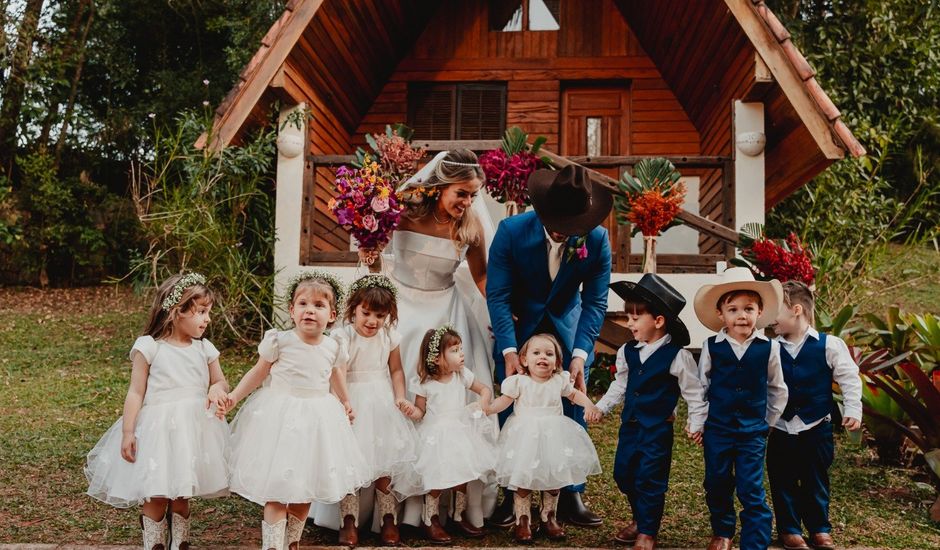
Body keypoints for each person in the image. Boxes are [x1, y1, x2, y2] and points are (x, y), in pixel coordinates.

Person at [371, 148, 497, 526]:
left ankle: (443, 506)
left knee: (448, 404)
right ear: (439, 187)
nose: (468, 201)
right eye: (462, 192)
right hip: (402, 310)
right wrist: (369, 253)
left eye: (474, 194)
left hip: (446, 312)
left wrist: (504, 316)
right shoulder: (401, 212)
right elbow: (377, 259)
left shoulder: (470, 227)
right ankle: (388, 505)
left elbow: (481, 278)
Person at [486, 163, 612, 527]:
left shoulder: (597, 239)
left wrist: (579, 354)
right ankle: (512, 494)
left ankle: (570, 493)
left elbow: (595, 302)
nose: (564, 232)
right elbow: (497, 295)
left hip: (568, 331)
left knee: (570, 410)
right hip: (519, 327)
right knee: (515, 407)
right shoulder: (510, 231)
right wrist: (510, 350)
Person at [220, 271, 371, 550]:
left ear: (332, 315)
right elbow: (258, 372)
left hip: (317, 420)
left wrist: (346, 401)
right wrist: (234, 396)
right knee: (277, 489)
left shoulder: (333, 346)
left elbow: (335, 375)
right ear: (291, 310)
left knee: (305, 489)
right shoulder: (281, 341)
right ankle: (273, 546)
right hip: (280, 418)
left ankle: (292, 543)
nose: (309, 311)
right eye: (303, 304)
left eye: (318, 305)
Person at [84, 273, 230, 550]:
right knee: (156, 490)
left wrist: (216, 389)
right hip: (157, 430)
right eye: (201, 312)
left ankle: (181, 542)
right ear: (177, 311)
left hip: (192, 429)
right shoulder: (149, 347)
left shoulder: (204, 349)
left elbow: (220, 380)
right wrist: (128, 431)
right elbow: (136, 391)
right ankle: (154, 543)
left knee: (182, 490)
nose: (207, 319)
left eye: (207, 312)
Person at [587, 274, 707, 550]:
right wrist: (601, 407)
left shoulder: (678, 356)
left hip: (657, 429)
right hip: (630, 426)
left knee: (650, 479)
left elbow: (694, 393)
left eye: (635, 317)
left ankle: (648, 531)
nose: (628, 323)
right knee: (624, 474)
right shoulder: (628, 351)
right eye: (628, 317)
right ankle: (641, 518)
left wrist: (696, 422)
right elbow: (621, 385)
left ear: (658, 321)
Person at [310, 274, 419, 546]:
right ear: (353, 309)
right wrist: (340, 403)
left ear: (389, 316)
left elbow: (395, 369)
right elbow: (338, 372)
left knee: (385, 461)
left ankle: (388, 518)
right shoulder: (342, 336)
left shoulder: (389, 336)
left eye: (379, 316)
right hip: (352, 398)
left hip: (381, 399)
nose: (372, 321)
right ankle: (349, 520)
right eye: (366, 313)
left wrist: (399, 397)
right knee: (350, 460)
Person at [692, 267, 788, 550]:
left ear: (760, 312)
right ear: (721, 314)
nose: (741, 315)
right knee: (716, 482)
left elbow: (778, 389)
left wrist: (767, 422)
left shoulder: (769, 349)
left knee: (750, 486)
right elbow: (701, 387)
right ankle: (722, 531)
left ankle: (754, 541)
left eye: (749, 308)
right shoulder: (712, 346)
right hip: (718, 430)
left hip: (752, 432)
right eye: (733, 309)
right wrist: (699, 423)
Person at [767, 281, 862, 550]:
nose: (771, 317)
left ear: (796, 310)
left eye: (776, 310)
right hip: (782, 427)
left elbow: (850, 378)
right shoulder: (770, 348)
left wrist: (853, 409)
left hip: (817, 425)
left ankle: (820, 529)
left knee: (815, 480)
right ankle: (789, 530)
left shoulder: (829, 344)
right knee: (781, 478)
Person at [485, 333, 602, 543]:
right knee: (523, 477)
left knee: (553, 477)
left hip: (553, 435)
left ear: (557, 361)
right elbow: (504, 401)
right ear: (524, 360)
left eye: (549, 354)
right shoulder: (519, 382)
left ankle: (549, 517)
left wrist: (590, 405)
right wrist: (489, 408)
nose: (543, 357)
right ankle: (523, 519)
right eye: (536, 353)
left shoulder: (559, 380)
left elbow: (574, 395)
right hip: (524, 436)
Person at [399, 325, 498, 544]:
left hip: (460, 432)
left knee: (462, 475)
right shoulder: (425, 384)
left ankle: (458, 516)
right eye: (454, 350)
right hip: (435, 436)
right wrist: (410, 410)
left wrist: (481, 404)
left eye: (461, 348)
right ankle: (430, 519)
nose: (461, 354)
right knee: (436, 479)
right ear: (435, 358)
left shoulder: (462, 375)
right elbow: (420, 412)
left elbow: (485, 390)